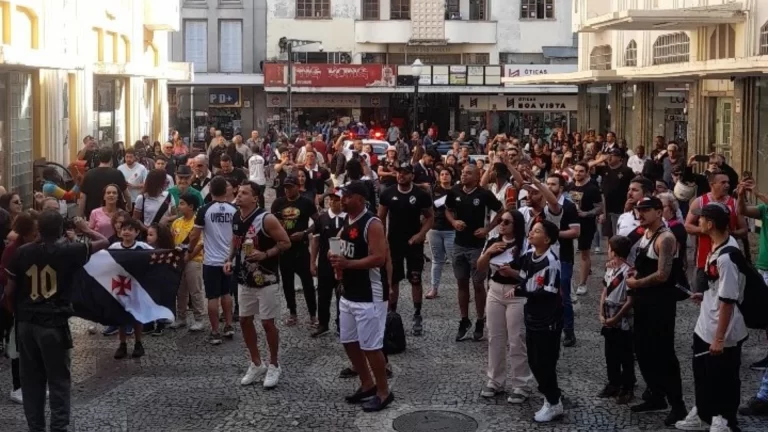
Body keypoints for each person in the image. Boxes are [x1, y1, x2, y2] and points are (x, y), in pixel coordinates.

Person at [4, 210, 108, 432]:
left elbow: (10, 290)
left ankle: (36, 427)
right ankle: (59, 427)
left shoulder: (21, 253)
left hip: (26, 323)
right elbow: (104, 241)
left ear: (38, 229)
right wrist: (85, 229)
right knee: (58, 380)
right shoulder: (71, 250)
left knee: (31, 380)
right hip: (54, 324)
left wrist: (17, 313)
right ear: (61, 229)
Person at [673, 202, 747, 432]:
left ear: (711, 223)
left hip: (722, 328)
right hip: (705, 323)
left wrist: (719, 338)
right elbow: (718, 290)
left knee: (723, 375)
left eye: (701, 219)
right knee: (702, 371)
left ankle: (724, 419)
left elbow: (728, 300)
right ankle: (704, 412)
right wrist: (704, 294)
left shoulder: (727, 256)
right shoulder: (716, 247)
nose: (698, 222)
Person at [329, 181, 393, 412]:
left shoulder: (372, 223)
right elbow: (339, 240)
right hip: (349, 292)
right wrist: (334, 256)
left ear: (360, 198)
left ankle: (384, 391)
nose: (342, 200)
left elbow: (379, 258)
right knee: (348, 340)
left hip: (370, 295)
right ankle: (367, 383)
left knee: (371, 346)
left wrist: (348, 263)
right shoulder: (348, 219)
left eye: (346, 196)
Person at [627, 197, 687, 426]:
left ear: (659, 211)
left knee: (663, 354)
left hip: (660, 303)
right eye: (638, 209)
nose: (640, 213)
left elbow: (663, 275)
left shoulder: (666, 238)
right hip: (644, 301)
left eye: (645, 210)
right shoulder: (646, 234)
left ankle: (677, 405)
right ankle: (656, 395)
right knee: (642, 349)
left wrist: (636, 283)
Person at [228, 181, 291, 389]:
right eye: (238, 192)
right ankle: (256, 363)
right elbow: (235, 241)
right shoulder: (237, 216)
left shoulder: (267, 219)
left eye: (244, 193)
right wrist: (228, 259)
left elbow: (285, 242)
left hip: (267, 278)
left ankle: (274, 363)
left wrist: (265, 254)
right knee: (245, 320)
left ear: (255, 198)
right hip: (244, 278)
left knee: (267, 323)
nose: (239, 196)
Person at [503, 220, 565, 422]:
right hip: (532, 317)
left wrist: (522, 290)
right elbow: (522, 274)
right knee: (534, 361)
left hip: (548, 321)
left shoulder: (552, 262)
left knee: (545, 363)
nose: (531, 233)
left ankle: (554, 402)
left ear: (547, 239)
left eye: (537, 231)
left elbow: (548, 292)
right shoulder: (529, 255)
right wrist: (506, 268)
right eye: (532, 230)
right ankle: (551, 397)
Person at [476, 209, 535, 404]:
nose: (502, 224)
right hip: (495, 291)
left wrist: (512, 273)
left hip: (516, 294)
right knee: (495, 337)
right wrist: (489, 253)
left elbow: (529, 275)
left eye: (507, 222)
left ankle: (521, 384)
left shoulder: (525, 246)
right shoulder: (493, 241)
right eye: (500, 220)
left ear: (516, 225)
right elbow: (480, 267)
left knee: (517, 338)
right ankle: (495, 381)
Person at [445, 164, 503, 342]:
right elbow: (447, 209)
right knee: (461, 283)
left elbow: (501, 211)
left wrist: (487, 229)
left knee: (478, 284)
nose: (464, 176)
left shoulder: (483, 194)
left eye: (468, 173)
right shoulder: (454, 191)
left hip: (477, 246)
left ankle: (479, 319)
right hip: (459, 244)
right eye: (462, 173)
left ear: (477, 177)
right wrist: (454, 222)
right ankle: (464, 319)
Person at [378, 163, 434, 336]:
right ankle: (391, 314)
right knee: (392, 279)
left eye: (405, 173)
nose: (401, 175)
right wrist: (382, 242)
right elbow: (380, 218)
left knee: (415, 279)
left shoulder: (421, 195)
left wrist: (421, 234)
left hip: (413, 244)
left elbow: (430, 217)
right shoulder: (388, 193)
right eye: (399, 172)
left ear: (412, 176)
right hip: (394, 243)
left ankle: (417, 314)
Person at [188, 176, 237, 345]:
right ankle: (229, 325)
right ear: (226, 190)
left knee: (212, 297)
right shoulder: (234, 209)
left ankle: (215, 332)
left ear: (210, 190)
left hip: (211, 261)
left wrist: (189, 249)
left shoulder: (204, 210)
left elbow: (194, 235)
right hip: (229, 259)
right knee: (227, 294)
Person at [685, 172, 745, 294]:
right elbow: (687, 226)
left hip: (728, 258)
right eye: (723, 182)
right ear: (712, 184)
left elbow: (744, 230)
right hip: (703, 260)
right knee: (702, 297)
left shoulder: (734, 203)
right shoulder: (700, 202)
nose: (727, 185)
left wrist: (730, 234)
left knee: (726, 296)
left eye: (728, 182)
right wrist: (706, 230)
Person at [271, 174, 317, 327]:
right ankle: (292, 313)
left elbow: (318, 223)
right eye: (286, 188)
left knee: (307, 283)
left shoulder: (306, 203)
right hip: (284, 249)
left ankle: (313, 315)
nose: (288, 190)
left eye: (290, 187)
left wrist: (304, 232)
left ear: (298, 187)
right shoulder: (278, 203)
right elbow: (271, 223)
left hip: (301, 248)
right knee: (287, 283)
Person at [0, 212, 37, 404]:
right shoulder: (13, 250)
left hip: (31, 305)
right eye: (34, 231)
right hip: (17, 306)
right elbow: (5, 278)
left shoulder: (33, 247)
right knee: (17, 349)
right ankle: (17, 387)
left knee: (31, 348)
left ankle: (31, 385)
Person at [598, 235, 636, 404]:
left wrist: (616, 317)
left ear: (614, 252)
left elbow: (630, 301)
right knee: (610, 353)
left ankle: (627, 387)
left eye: (609, 248)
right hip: (608, 314)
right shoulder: (610, 269)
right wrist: (601, 312)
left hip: (622, 319)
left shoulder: (629, 272)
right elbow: (604, 291)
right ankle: (613, 382)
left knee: (625, 355)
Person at [109, 218, 153, 357]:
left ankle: (138, 342)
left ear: (137, 232)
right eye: (124, 229)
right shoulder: (114, 247)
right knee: (121, 316)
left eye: (130, 229)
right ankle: (122, 344)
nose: (126, 232)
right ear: (119, 232)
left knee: (136, 316)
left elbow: (158, 254)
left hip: (136, 286)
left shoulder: (142, 247)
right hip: (120, 287)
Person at [310, 191, 346, 337]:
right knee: (323, 294)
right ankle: (323, 323)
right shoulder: (322, 218)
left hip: (344, 262)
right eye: (330, 199)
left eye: (336, 200)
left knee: (342, 294)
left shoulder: (348, 219)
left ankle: (342, 323)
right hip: (325, 263)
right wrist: (312, 261)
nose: (332, 202)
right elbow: (316, 241)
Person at [170, 193, 205, 332]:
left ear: (191, 206)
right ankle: (181, 317)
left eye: (182, 204)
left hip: (194, 261)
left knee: (195, 290)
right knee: (180, 291)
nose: (179, 206)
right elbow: (172, 240)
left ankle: (199, 319)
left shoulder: (198, 223)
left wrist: (189, 256)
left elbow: (201, 243)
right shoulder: (176, 222)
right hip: (179, 261)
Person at [569, 162, 603, 297]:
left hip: (586, 224)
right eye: (576, 171)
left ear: (587, 172)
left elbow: (600, 208)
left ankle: (582, 284)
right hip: (571, 223)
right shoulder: (570, 186)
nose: (577, 173)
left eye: (581, 171)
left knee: (584, 254)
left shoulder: (592, 188)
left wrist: (586, 213)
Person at [590, 148, 635, 238]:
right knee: (608, 234)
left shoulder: (627, 170)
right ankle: (610, 251)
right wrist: (599, 160)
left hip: (620, 207)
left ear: (619, 158)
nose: (609, 157)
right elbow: (587, 167)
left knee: (619, 234)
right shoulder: (604, 169)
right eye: (608, 155)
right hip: (607, 207)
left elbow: (634, 185)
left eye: (612, 155)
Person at [426, 168, 455, 300]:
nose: (444, 176)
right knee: (437, 260)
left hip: (451, 229)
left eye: (447, 174)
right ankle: (434, 288)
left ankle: (462, 288)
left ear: (451, 176)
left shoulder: (457, 190)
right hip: (435, 228)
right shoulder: (433, 191)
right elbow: (432, 206)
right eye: (442, 174)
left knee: (455, 260)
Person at [79, 147, 131, 218]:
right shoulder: (117, 174)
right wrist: (129, 207)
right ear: (111, 159)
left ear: (99, 159)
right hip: (114, 215)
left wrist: (80, 215)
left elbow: (82, 197)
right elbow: (127, 195)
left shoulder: (89, 174)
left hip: (92, 213)